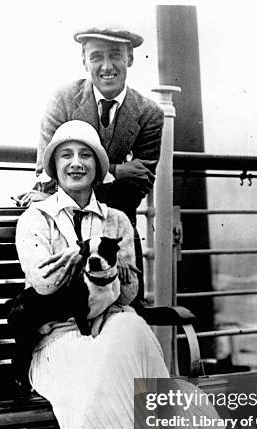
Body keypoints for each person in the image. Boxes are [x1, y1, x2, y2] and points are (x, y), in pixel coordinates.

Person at [12, 120, 218, 429]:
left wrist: (109, 275)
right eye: (65, 156)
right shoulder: (37, 219)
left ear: (99, 167)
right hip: (57, 340)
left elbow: (130, 294)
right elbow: (41, 285)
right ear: (53, 166)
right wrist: (73, 266)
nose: (76, 163)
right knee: (136, 387)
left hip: (107, 327)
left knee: (133, 331)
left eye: (85, 156)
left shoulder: (117, 221)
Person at [15, 23, 164, 302]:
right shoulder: (63, 100)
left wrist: (78, 183)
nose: (106, 66)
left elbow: (136, 187)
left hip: (116, 236)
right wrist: (116, 170)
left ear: (129, 58)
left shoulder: (148, 114)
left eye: (115, 55)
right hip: (63, 236)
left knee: (127, 312)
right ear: (84, 60)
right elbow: (47, 174)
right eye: (96, 57)